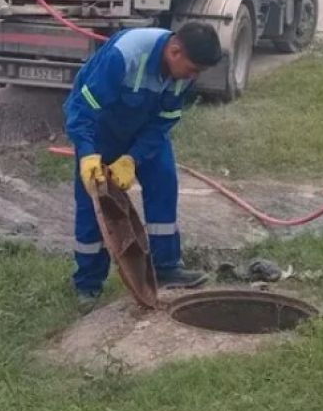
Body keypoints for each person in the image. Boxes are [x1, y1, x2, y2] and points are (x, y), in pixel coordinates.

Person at [64, 23, 223, 311]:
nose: (193, 77)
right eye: (193, 69)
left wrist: (133, 159)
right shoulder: (124, 55)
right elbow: (82, 109)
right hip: (101, 131)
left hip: (145, 133)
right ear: (175, 51)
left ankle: (166, 267)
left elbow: (164, 121)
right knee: (93, 204)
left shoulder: (181, 72)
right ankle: (87, 284)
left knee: (163, 183)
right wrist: (88, 154)